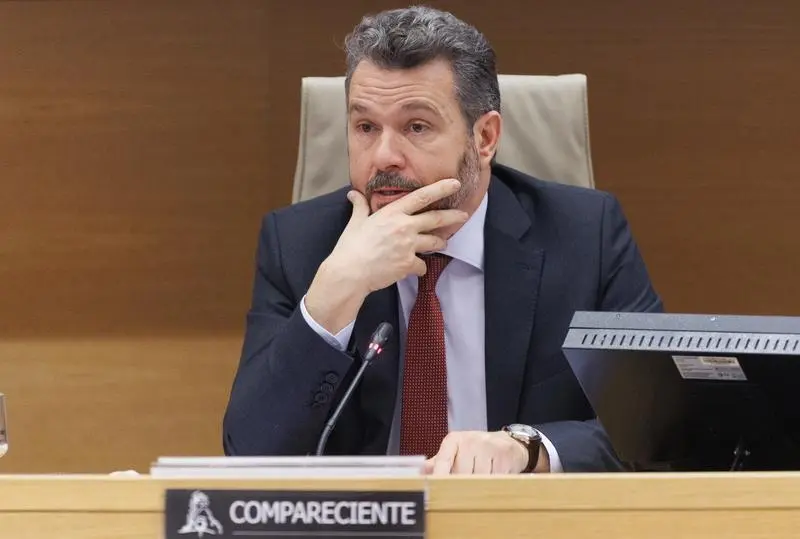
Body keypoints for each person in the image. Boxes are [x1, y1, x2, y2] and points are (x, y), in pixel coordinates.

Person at [222, 5, 662, 474]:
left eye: (416, 127)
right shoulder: (301, 246)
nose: (383, 156)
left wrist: (530, 449)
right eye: (365, 127)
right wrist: (337, 291)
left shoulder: (586, 236)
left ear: (485, 138)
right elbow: (249, 453)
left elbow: (658, 429)